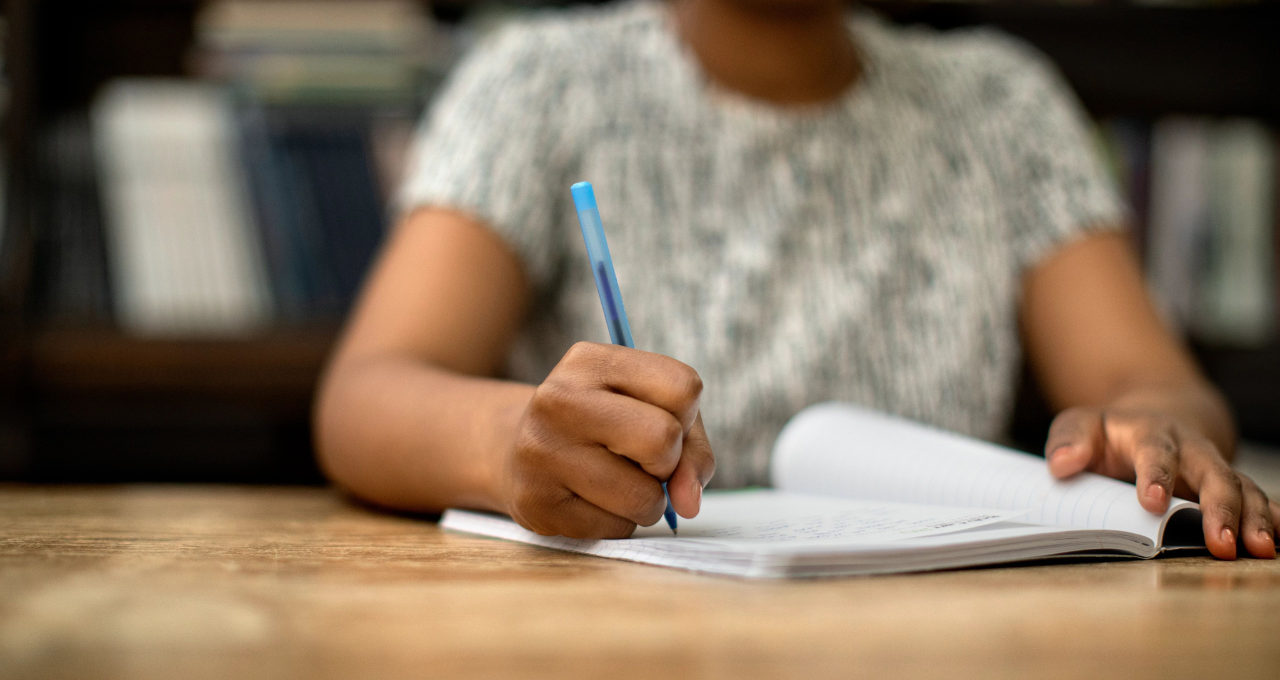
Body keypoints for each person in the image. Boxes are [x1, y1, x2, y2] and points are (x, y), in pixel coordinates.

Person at [313, 0, 1279, 559]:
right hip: (618, 649)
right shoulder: (540, 85)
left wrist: (1150, 427)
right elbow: (370, 391)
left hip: (945, 644)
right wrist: (509, 446)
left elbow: (1142, 382)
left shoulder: (1000, 107)